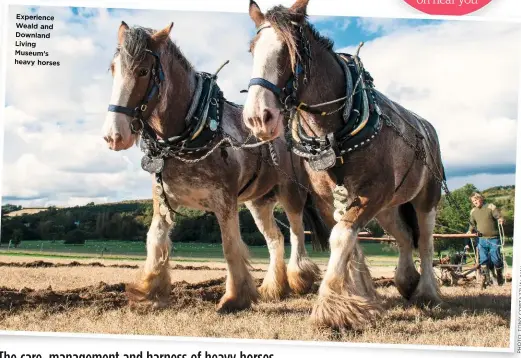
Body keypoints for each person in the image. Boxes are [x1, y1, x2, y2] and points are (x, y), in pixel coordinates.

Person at [466, 192, 505, 287]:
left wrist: (500, 219)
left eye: (476, 199)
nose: (475, 202)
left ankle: (499, 275)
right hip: (481, 240)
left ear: (481, 198)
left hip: (493, 239)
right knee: (483, 260)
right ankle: (487, 279)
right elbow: (472, 224)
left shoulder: (490, 207)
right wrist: (469, 231)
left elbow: (498, 215)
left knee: (496, 260)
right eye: (473, 201)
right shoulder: (473, 211)